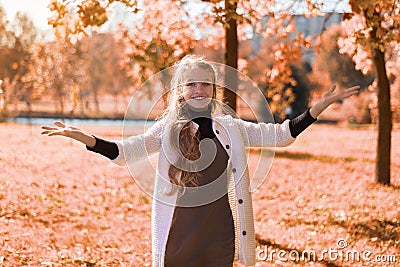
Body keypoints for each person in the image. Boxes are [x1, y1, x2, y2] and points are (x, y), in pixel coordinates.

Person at [41, 55, 359, 267]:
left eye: (204, 83)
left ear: (214, 89)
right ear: (180, 90)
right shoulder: (167, 130)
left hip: (220, 231)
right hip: (179, 234)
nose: (198, 89)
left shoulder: (231, 128)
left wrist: (318, 108)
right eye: (190, 84)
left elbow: (280, 135)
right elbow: (127, 152)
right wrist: (87, 140)